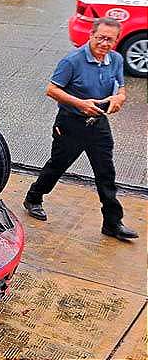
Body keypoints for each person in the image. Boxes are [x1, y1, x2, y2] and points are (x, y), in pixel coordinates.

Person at [23, 17, 137, 241]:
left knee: (106, 173)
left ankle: (112, 223)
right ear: (91, 35)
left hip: (99, 124)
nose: (105, 43)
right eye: (101, 38)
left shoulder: (115, 59)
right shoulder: (72, 61)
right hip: (71, 123)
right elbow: (52, 90)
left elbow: (121, 89)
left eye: (110, 40)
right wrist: (81, 103)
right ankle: (34, 197)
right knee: (57, 165)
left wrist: (119, 99)